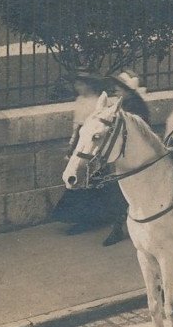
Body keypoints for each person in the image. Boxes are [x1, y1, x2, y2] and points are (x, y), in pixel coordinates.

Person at [52, 71, 121, 236]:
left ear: (90, 85)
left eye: (81, 84)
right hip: (81, 142)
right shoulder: (80, 100)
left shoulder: (99, 102)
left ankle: (92, 218)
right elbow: (77, 127)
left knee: (91, 183)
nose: (77, 87)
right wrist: (72, 146)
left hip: (93, 146)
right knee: (82, 181)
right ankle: (91, 217)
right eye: (77, 84)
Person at [101, 70, 152, 246]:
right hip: (128, 155)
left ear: (128, 90)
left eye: (120, 86)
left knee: (120, 192)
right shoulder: (127, 103)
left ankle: (118, 229)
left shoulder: (133, 105)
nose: (115, 89)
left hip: (134, 157)